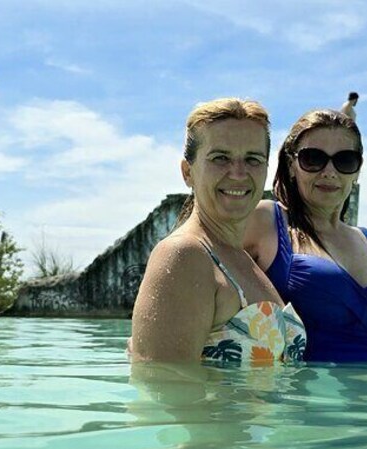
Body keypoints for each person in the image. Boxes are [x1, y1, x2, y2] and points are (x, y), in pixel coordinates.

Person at [130, 98, 305, 366]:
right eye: (220, 158)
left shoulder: (241, 259)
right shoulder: (184, 256)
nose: (238, 173)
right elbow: (162, 392)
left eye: (253, 159)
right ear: (188, 172)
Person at [243, 109, 367, 363]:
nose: (329, 171)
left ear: (358, 171)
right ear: (291, 166)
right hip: (303, 400)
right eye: (313, 158)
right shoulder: (265, 220)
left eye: (345, 160)